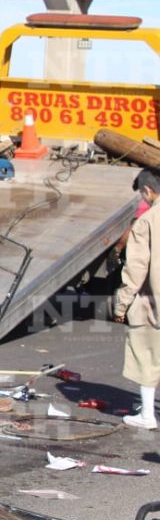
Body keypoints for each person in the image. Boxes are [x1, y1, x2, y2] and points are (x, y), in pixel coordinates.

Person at [114, 167, 160, 430]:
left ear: (147, 191)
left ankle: (147, 416)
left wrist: (122, 303)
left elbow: (136, 268)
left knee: (146, 352)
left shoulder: (148, 221)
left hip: (154, 302)